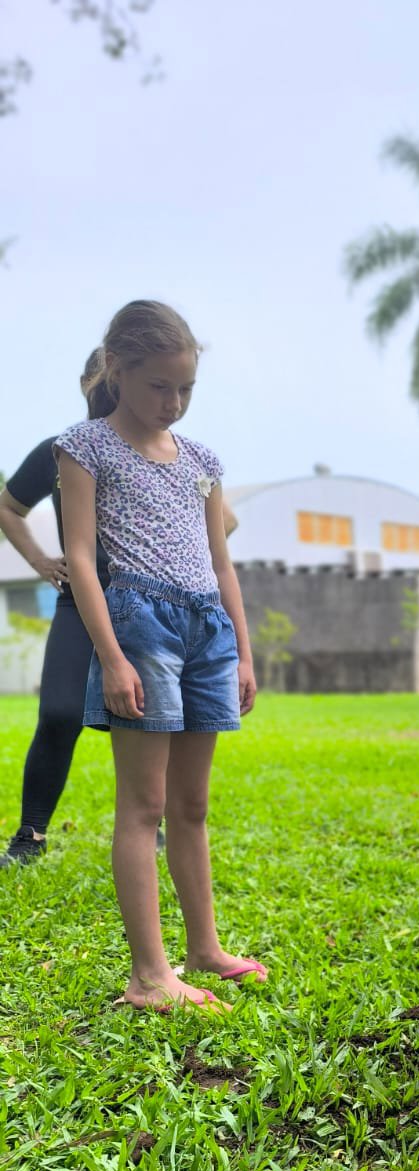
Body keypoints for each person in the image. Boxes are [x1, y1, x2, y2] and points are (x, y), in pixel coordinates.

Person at [56, 299, 263, 1010]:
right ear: (118, 370)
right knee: (142, 806)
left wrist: (241, 651)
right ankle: (150, 976)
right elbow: (81, 559)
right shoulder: (85, 448)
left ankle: (202, 947)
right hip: (139, 625)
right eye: (158, 387)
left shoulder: (201, 461)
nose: (172, 403)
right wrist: (112, 657)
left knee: (192, 804)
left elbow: (222, 562)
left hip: (207, 629)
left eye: (185, 390)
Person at [1, 351, 240, 868]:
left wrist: (183, 557)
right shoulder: (67, 449)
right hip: (80, 602)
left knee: (155, 720)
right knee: (59, 713)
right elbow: (9, 506)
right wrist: (42, 560)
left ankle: (147, 821)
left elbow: (225, 523)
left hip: (153, 608)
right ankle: (31, 834)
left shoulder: (173, 456)